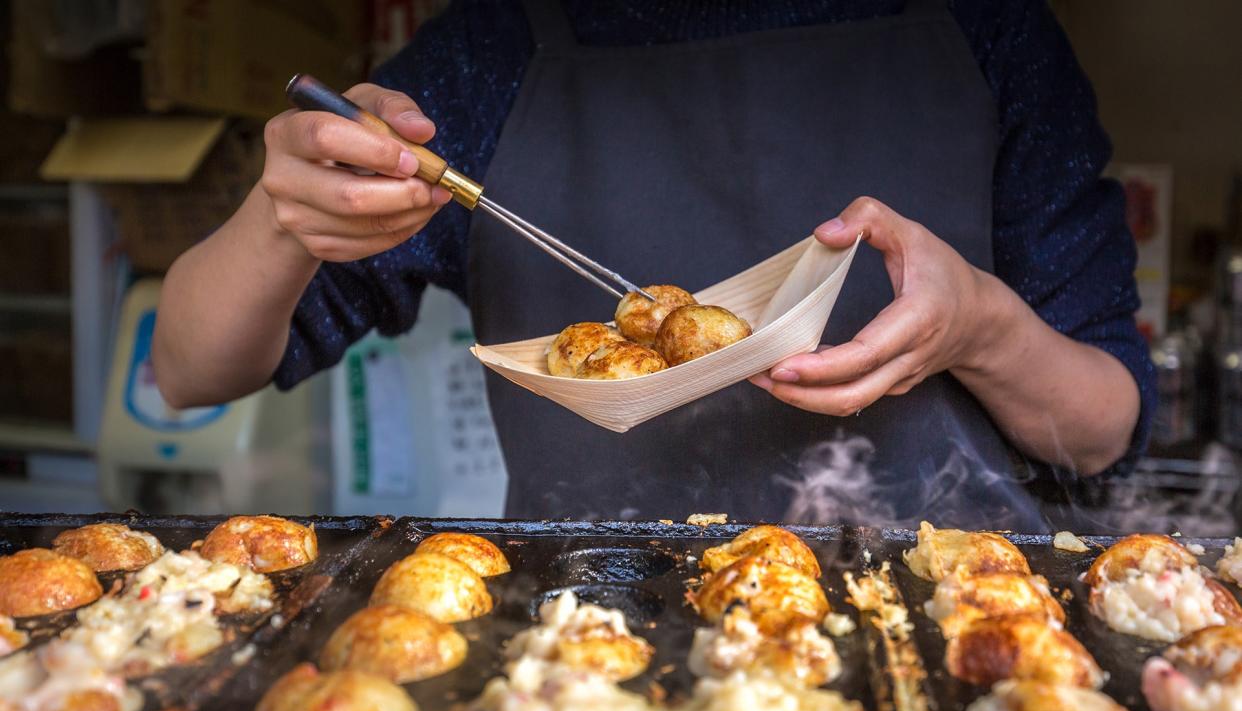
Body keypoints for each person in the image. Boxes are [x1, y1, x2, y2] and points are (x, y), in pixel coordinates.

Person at [153, 0, 1153, 529]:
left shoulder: (990, 29)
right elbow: (192, 369)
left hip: (945, 622)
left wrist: (977, 325)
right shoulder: (493, 51)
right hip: (598, 625)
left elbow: (1104, 429)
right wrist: (281, 220)